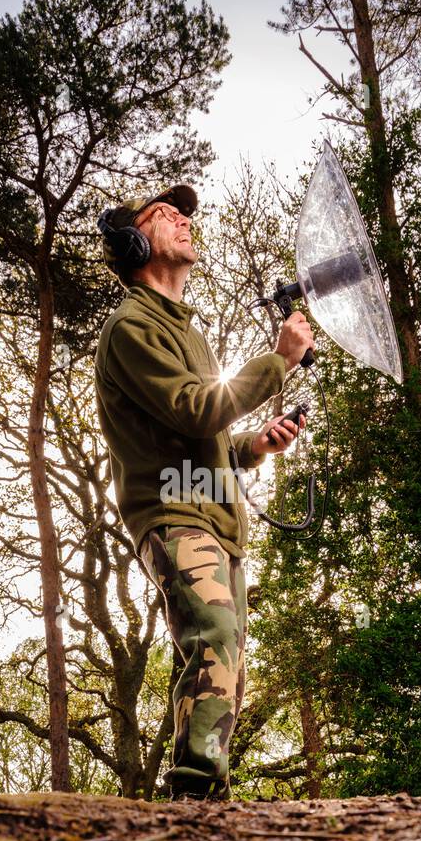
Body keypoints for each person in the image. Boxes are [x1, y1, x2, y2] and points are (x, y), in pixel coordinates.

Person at [94, 184, 313, 800]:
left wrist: (254, 447)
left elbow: (205, 437)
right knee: (212, 630)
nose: (183, 221)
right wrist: (278, 362)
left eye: (186, 214)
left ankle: (205, 797)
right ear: (134, 243)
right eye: (165, 215)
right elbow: (196, 409)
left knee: (227, 660)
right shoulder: (130, 326)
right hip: (172, 511)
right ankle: (190, 792)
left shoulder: (187, 333)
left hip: (217, 518)